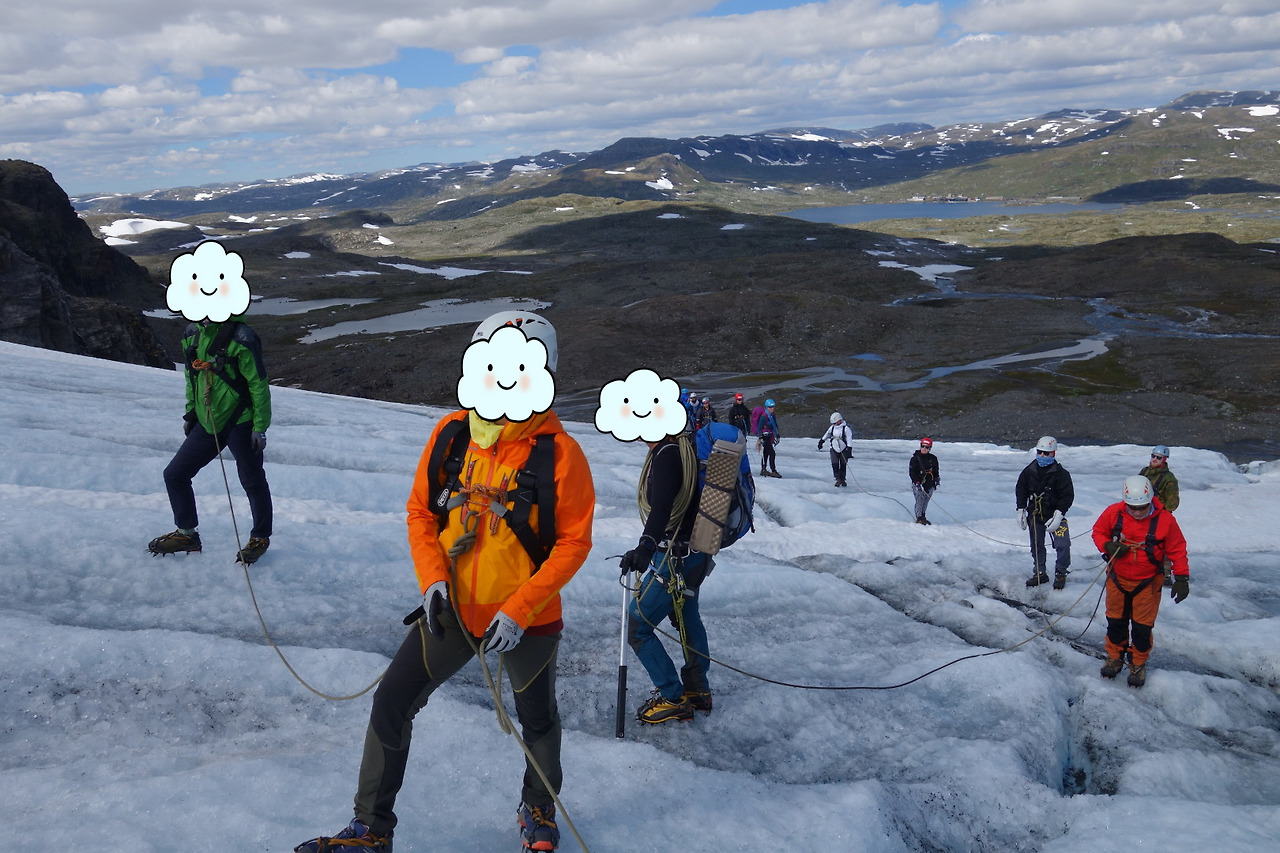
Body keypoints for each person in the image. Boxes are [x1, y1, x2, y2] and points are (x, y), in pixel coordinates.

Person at [295, 312, 595, 853]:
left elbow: (573, 543)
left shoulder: (560, 455)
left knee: (537, 720)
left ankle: (538, 810)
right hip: (451, 610)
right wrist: (433, 579)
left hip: (527, 620)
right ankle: (371, 830)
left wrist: (520, 609)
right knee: (392, 701)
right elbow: (421, 512)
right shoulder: (453, 436)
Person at [148, 315, 273, 564]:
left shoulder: (243, 337)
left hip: (240, 421)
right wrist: (192, 412)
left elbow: (258, 383)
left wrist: (259, 427)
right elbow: (192, 377)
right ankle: (187, 534)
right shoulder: (191, 334)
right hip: (208, 420)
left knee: (252, 480)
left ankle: (260, 537)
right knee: (175, 474)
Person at [618, 427, 714, 724]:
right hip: (694, 555)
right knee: (687, 618)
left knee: (638, 626)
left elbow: (661, 508)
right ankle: (698, 690)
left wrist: (645, 547)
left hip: (674, 558)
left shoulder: (666, 456)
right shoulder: (682, 452)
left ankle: (673, 697)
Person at [1091, 475, 1190, 688]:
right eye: (1132, 508)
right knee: (1115, 622)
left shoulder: (1165, 520)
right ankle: (1115, 657)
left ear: (1150, 500)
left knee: (1142, 628)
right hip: (1118, 579)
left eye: (1142, 508)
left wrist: (1182, 577)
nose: (1137, 512)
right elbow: (1098, 532)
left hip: (1147, 583)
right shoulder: (1113, 513)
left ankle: (1137, 663)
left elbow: (1177, 548)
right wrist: (1107, 546)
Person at [1015, 436, 1074, 589]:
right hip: (1035, 515)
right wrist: (1020, 509)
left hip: (1055, 515)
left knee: (1063, 545)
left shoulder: (1062, 474)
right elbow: (1021, 489)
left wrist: (1059, 514)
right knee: (1036, 545)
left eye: (1046, 453)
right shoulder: (1029, 471)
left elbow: (1067, 496)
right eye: (1039, 452)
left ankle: (1061, 572)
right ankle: (1040, 572)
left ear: (1053, 453)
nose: (1042, 455)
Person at [817, 412, 854, 487]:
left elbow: (849, 440)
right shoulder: (832, 428)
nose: (834, 424)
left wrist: (849, 450)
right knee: (835, 464)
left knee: (843, 464)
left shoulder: (846, 429)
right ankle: (838, 479)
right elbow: (827, 435)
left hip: (844, 449)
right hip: (834, 448)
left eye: (835, 423)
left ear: (839, 421)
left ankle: (842, 479)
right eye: (833, 423)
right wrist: (821, 441)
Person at [909, 437, 939, 524]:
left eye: (927, 447)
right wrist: (917, 483)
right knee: (919, 500)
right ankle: (919, 517)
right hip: (919, 483)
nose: (924, 448)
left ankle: (923, 515)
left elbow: (936, 471)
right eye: (922, 446)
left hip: (930, 484)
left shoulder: (933, 458)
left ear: (930, 448)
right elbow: (912, 473)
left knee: (926, 501)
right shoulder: (915, 459)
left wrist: (937, 481)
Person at [1141, 445, 1180, 512]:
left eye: (1159, 458)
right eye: (1153, 456)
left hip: (1157, 513)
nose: (1155, 459)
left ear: (1164, 459)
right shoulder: (1145, 471)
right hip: (1140, 510)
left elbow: (1172, 504)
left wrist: (1162, 513)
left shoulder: (1169, 478)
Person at [755, 399, 782, 478]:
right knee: (772, 453)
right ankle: (773, 470)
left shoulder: (772, 415)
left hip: (769, 436)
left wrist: (777, 435)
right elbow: (759, 428)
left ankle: (764, 469)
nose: (772, 408)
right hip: (764, 437)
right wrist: (760, 437)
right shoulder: (764, 416)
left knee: (766, 453)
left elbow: (775, 425)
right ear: (767, 407)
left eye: (773, 407)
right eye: (770, 407)